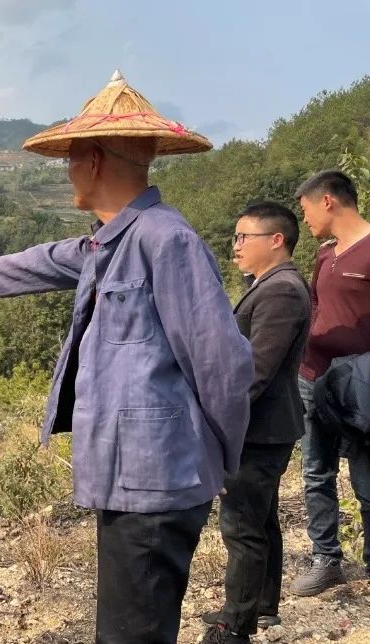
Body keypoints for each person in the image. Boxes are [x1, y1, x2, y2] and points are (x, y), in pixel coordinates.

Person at [0, 71, 253, 643]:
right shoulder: (109, 240)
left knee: (131, 634)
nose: (67, 171)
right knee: (127, 626)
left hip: (158, 480)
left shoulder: (166, 241)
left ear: (92, 160)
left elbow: (223, 363)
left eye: (71, 159)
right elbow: (55, 258)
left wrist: (217, 455)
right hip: (131, 479)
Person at [200, 202, 311, 643]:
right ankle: (261, 606)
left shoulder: (281, 290)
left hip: (258, 429)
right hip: (266, 427)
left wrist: (218, 424)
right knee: (261, 520)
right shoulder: (268, 284)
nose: (237, 246)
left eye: (245, 237)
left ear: (277, 240)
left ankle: (236, 624)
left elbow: (256, 371)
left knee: (242, 525)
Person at [291, 169, 370, 597]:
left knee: (365, 477)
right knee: (315, 472)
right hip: (313, 377)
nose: (304, 219)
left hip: (358, 387)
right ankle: (327, 559)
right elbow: (317, 306)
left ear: (328, 202)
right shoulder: (325, 254)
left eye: (305, 209)